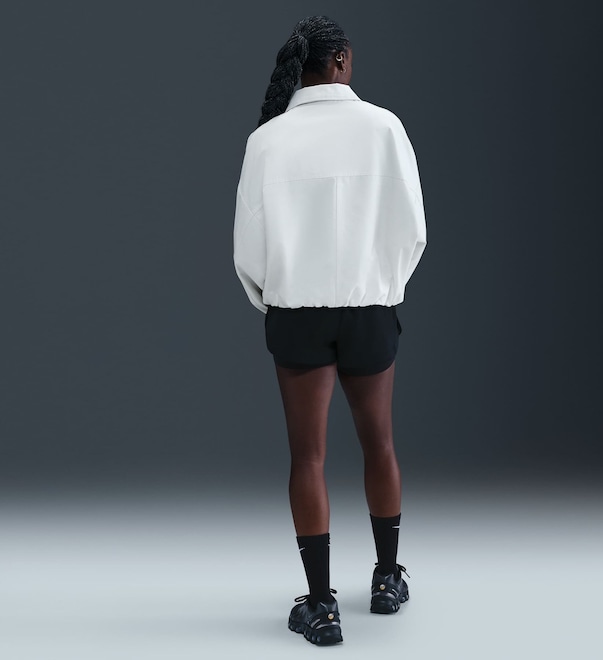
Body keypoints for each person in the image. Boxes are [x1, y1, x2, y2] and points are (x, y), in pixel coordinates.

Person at [233, 15, 426, 646]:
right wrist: (382, 286)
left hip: (298, 312)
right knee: (380, 445)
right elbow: (412, 229)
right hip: (370, 306)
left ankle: (320, 608)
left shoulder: (268, 140)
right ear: (341, 59)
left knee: (308, 457)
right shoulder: (385, 127)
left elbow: (247, 245)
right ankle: (388, 579)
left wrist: (276, 299)